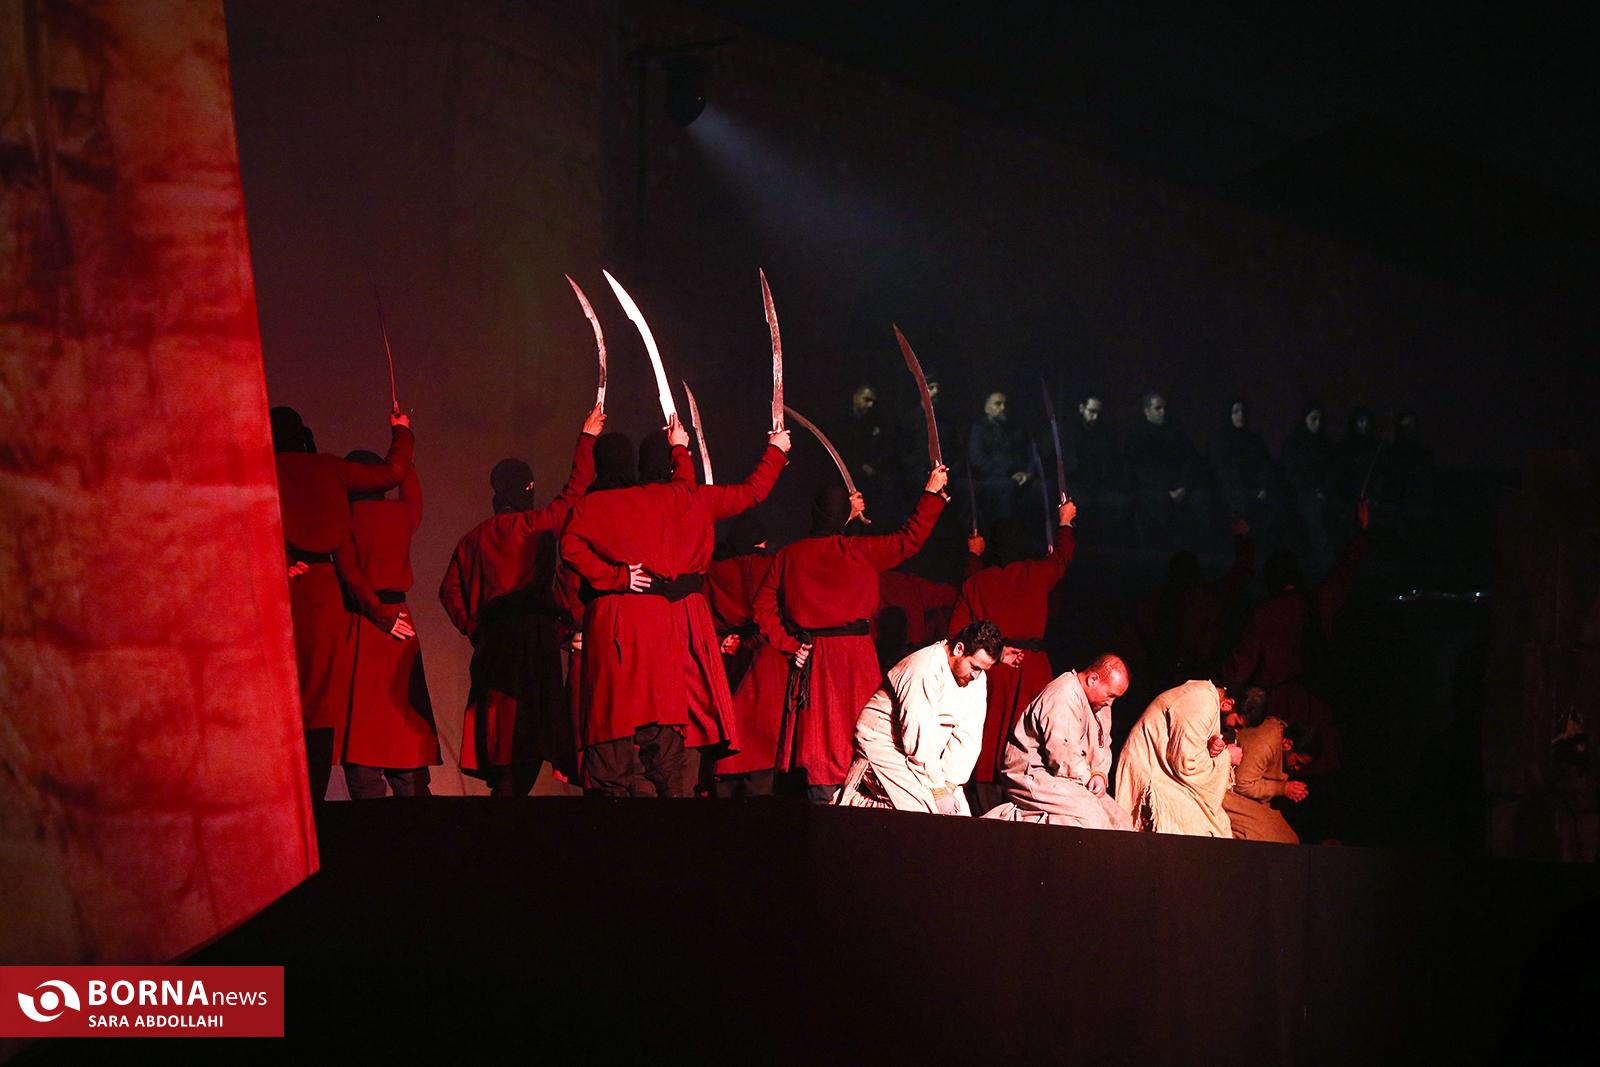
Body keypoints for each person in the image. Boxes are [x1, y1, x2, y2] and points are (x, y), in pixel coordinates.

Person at [560, 416, 790, 797]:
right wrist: (775, 451)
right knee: (666, 728)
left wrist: (615, 577)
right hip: (671, 624)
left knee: (618, 725)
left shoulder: (604, 505)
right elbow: (749, 492)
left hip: (626, 620)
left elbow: (569, 543)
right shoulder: (688, 499)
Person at [755, 467, 949, 801]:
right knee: (859, 730)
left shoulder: (790, 556)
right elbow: (909, 539)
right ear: (843, 516)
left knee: (819, 738)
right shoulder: (859, 551)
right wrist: (931, 494)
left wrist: (789, 645)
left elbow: (762, 608)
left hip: (816, 655)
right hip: (855, 658)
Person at [438, 406, 604, 796]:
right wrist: (587, 439)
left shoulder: (472, 539)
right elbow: (574, 493)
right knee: (527, 731)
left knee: (499, 730)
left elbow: (448, 592)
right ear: (526, 488)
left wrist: (474, 629)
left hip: (493, 643)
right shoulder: (532, 526)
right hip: (531, 642)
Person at [272, 405, 412, 798]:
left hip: (277, 595)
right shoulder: (329, 468)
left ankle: (285, 801)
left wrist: (280, 564)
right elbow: (392, 472)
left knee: (279, 702)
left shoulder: (264, 473)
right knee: (318, 706)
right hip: (324, 598)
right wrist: (401, 430)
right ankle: (313, 805)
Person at [949, 499, 1078, 814]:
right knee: (1031, 733)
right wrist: (1065, 522)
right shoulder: (1035, 573)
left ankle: (988, 804)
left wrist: (973, 555)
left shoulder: (978, 582)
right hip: (1030, 668)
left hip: (993, 668)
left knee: (990, 733)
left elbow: (959, 630)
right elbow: (1062, 557)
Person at [1225, 501, 1371, 778]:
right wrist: (1361, 533)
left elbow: (1239, 666)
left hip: (1278, 708)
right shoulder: (1316, 602)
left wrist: (1220, 693)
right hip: (1316, 701)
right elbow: (1343, 574)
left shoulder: (1264, 613)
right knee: (1321, 769)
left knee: (1277, 771)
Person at [337, 452, 438, 797]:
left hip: (365, 625)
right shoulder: (400, 514)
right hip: (399, 624)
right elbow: (413, 495)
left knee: (364, 730)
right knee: (404, 726)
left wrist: (380, 616)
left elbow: (350, 575)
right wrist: (403, 453)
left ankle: (372, 823)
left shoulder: (346, 520)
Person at [832, 620, 1003, 813]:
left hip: (922, 755)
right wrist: (937, 791)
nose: (976, 676)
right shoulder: (924, 666)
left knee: (959, 817)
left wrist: (948, 784)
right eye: (975, 667)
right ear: (959, 649)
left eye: (982, 670)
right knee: (923, 811)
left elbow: (969, 736)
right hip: (883, 743)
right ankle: (854, 804)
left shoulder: (977, 679)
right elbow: (918, 731)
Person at [982, 654, 1133, 829]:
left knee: (1120, 822)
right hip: (1034, 774)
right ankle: (1011, 822)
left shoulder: (1100, 705)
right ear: (1092, 679)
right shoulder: (1063, 694)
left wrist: (1099, 774)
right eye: (1110, 695)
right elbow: (1063, 754)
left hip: (1074, 777)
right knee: (1092, 819)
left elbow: (1102, 744)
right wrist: (1086, 780)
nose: (1110, 703)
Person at [707, 513, 785, 798]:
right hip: (767, 658)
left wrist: (719, 641)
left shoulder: (715, 571)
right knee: (763, 751)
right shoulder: (772, 566)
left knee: (729, 746)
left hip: (728, 656)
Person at [1114, 679, 1233, 836]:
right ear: (1228, 704)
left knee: (1220, 824)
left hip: (1167, 772)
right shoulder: (1202, 700)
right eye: (1237, 724)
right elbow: (1187, 764)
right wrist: (1226, 757)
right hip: (1153, 774)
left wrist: (1211, 747)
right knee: (1202, 829)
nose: (1235, 730)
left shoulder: (1205, 696)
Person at [1124, 392, 1210, 549]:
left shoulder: (1176, 432)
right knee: (1156, 504)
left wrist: (1183, 486)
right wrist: (1165, 490)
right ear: (1147, 411)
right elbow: (1137, 469)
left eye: (1164, 408)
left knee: (1201, 501)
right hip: (1151, 488)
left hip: (1180, 486)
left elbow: (1191, 461)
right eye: (1158, 408)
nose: (1162, 412)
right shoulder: (1137, 435)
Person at [1223, 716, 1316, 843]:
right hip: (1230, 791)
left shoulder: (1280, 738)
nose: (1297, 768)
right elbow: (1241, 784)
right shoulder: (1265, 742)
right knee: (1269, 842)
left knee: (1290, 840)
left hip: (1248, 794)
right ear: (1288, 744)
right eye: (1298, 762)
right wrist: (1283, 788)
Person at [967, 392, 1032, 533]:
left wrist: (1028, 473)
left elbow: (1031, 454)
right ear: (986, 408)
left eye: (1005, 404)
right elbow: (978, 459)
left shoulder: (1016, 429)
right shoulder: (979, 429)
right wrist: (1007, 474)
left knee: (1046, 489)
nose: (1003, 408)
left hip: (1021, 476)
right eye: (998, 404)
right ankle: (1004, 534)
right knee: (1008, 488)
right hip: (992, 477)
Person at [1211, 398, 1277, 532]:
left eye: (1242, 411)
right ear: (1228, 415)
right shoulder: (1220, 441)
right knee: (1241, 508)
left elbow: (1265, 465)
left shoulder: (1254, 440)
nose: (1240, 415)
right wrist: (1248, 492)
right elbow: (1224, 474)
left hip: (1257, 489)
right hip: (1234, 491)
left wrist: (1263, 487)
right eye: (1236, 412)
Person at [1280, 401, 1335, 564]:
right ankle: (1324, 557)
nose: (1317, 423)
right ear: (1305, 419)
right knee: (1313, 509)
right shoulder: (1294, 443)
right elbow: (1291, 474)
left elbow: (1332, 471)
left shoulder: (1325, 443)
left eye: (1320, 419)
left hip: (1324, 492)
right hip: (1301, 492)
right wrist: (1313, 489)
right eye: (1313, 419)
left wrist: (1324, 489)